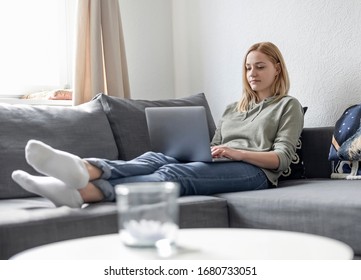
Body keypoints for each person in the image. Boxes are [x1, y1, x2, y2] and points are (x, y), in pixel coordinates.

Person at [12, 42, 304, 208]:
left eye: (261, 66)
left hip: (256, 172)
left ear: (277, 68)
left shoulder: (287, 105)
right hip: (224, 161)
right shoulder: (232, 108)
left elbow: (280, 159)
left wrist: (237, 153)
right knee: (156, 157)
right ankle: (82, 171)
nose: (252, 73)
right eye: (248, 67)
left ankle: (84, 191)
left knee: (175, 172)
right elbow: (215, 145)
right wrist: (209, 150)